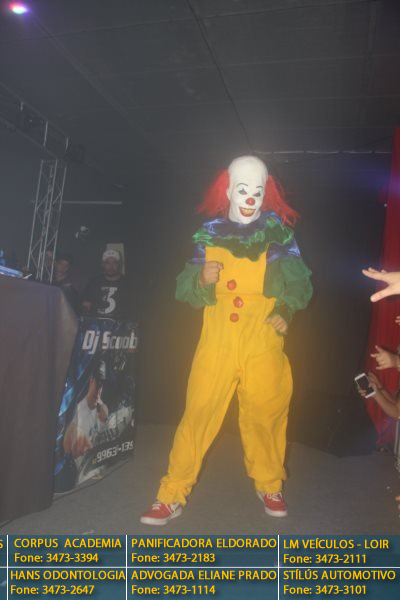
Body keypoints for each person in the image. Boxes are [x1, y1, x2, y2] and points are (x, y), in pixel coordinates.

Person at [141, 155, 313, 525]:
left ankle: (269, 484)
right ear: (228, 190)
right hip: (218, 335)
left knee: (266, 412)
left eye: (257, 191)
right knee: (198, 411)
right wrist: (201, 279)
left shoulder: (277, 234)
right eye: (243, 189)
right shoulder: (209, 233)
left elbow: (299, 283)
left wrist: (285, 310)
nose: (250, 197)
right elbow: (183, 289)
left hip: (262, 334)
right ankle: (171, 493)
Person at [64, 362, 108, 459]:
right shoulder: (77, 410)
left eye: (101, 385)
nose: (98, 390)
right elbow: (67, 446)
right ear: (91, 381)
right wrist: (72, 434)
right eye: (97, 383)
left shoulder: (101, 409)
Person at [81, 249, 131, 320]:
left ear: (119, 264)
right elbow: (86, 305)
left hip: (121, 324)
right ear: (103, 264)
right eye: (108, 263)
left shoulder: (128, 283)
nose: (111, 266)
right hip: (96, 324)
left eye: (114, 263)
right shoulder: (94, 282)